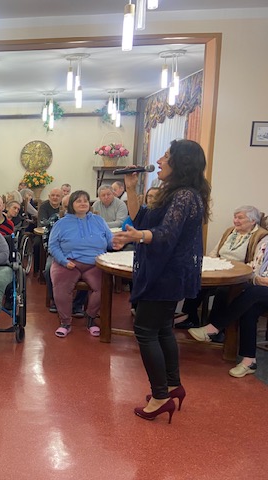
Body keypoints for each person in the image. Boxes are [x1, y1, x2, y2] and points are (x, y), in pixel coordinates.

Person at [112, 139, 211, 424]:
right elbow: (140, 219)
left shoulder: (185, 196)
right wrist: (131, 188)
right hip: (165, 271)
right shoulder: (174, 193)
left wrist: (136, 237)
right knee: (163, 329)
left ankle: (160, 396)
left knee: (145, 331)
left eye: (166, 156)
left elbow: (165, 234)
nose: (159, 160)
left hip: (166, 273)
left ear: (181, 162)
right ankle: (172, 385)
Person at [176, 205, 268, 329]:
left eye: (240, 218)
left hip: (240, 277)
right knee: (198, 283)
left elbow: (256, 263)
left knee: (223, 291)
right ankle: (190, 317)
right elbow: (215, 252)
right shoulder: (230, 231)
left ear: (252, 221)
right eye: (235, 217)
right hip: (220, 270)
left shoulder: (261, 237)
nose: (235, 221)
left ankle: (215, 327)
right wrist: (211, 263)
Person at [188, 237, 268, 377]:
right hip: (261, 288)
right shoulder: (265, 242)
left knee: (253, 293)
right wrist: (256, 277)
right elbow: (255, 265)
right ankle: (249, 361)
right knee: (250, 309)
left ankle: (214, 328)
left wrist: (257, 279)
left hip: (262, 289)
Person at [48, 190, 112, 338]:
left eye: (85, 200)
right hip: (68, 262)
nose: (83, 203)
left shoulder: (99, 221)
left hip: (95, 262)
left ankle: (90, 318)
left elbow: (110, 241)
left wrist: (119, 241)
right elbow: (53, 246)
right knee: (61, 288)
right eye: (79, 201)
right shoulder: (61, 223)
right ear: (71, 204)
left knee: (104, 286)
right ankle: (65, 322)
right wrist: (64, 261)